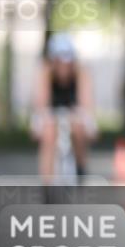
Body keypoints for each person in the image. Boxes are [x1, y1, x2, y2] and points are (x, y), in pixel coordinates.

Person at [32, 33, 96, 180]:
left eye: (67, 61)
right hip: (51, 114)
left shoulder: (81, 72)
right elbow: (41, 104)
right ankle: (47, 186)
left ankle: (80, 168)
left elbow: (86, 103)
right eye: (59, 61)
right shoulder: (45, 72)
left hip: (75, 113)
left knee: (79, 129)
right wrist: (39, 122)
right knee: (48, 134)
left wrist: (88, 121)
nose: (64, 67)